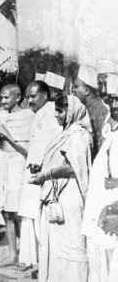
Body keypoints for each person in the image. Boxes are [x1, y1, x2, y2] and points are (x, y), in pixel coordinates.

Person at [30, 95, 92, 282]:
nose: (56, 115)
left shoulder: (78, 135)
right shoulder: (66, 133)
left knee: (71, 248)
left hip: (71, 196)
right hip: (60, 194)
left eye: (60, 111)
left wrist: (46, 175)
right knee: (55, 247)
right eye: (55, 110)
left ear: (71, 112)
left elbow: (75, 168)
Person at [17, 80, 62, 272]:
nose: (29, 101)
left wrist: (42, 167)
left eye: (33, 96)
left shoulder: (52, 112)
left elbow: (51, 144)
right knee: (29, 216)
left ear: (44, 95)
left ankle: (43, 262)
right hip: (32, 171)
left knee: (40, 217)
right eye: (27, 97)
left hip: (43, 173)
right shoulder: (38, 114)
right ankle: (30, 259)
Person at [0, 83, 34, 267]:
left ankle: (26, 253)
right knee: (5, 211)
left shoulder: (28, 117)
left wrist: (7, 135)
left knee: (17, 210)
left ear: (17, 97)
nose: (2, 101)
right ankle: (12, 254)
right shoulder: (0, 116)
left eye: (6, 97)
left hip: (18, 163)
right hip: (3, 162)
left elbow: (27, 151)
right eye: (1, 97)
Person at [82, 74, 118, 282]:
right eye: (112, 99)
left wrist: (114, 208)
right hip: (103, 208)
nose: (113, 105)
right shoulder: (112, 134)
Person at [73, 64, 108, 159]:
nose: (73, 90)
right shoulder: (85, 108)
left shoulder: (100, 111)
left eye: (76, 87)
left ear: (87, 91)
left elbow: (103, 148)